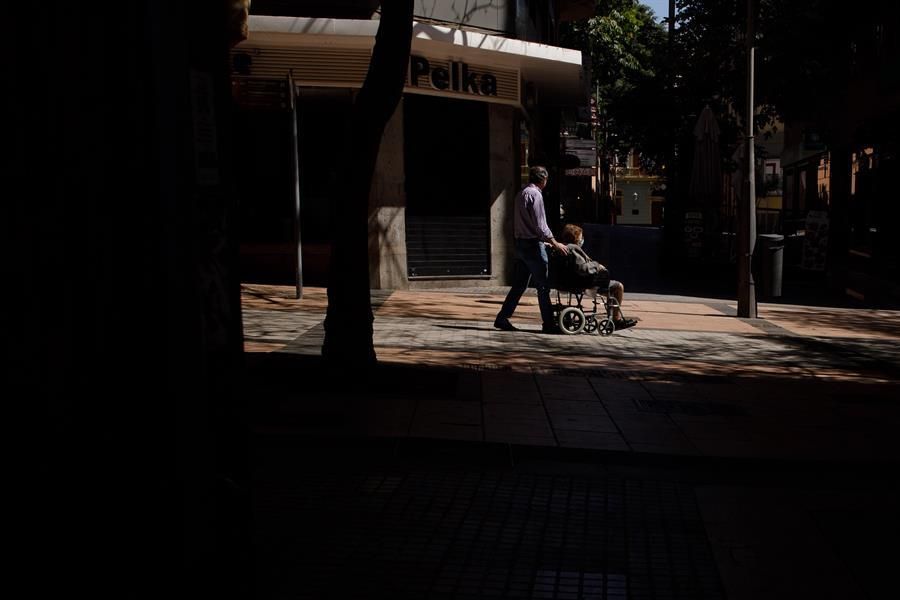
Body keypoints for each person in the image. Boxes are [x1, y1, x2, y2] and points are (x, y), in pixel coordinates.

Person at [494, 165, 570, 334]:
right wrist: (555, 243)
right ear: (544, 179)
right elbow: (540, 225)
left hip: (521, 244)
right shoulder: (536, 195)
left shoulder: (521, 193)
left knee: (519, 285)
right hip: (533, 246)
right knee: (543, 287)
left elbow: (523, 223)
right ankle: (548, 324)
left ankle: (502, 318)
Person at [558, 224, 637, 330]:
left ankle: (613, 317)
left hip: (574, 281)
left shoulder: (563, 248)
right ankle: (616, 319)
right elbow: (582, 268)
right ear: (576, 237)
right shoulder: (573, 248)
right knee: (619, 287)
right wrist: (597, 266)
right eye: (581, 237)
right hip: (584, 282)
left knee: (610, 291)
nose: (582, 239)